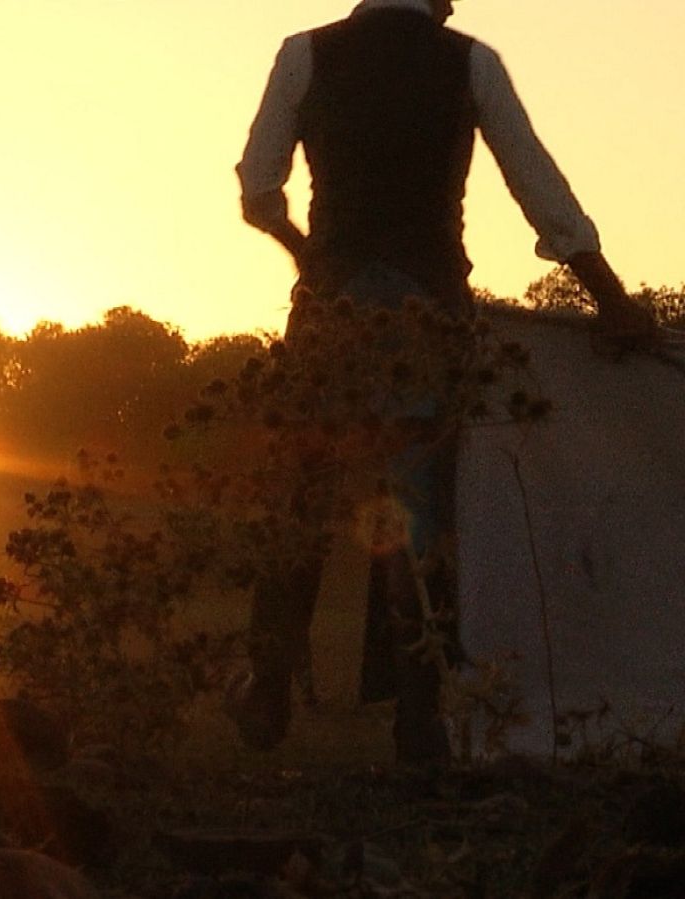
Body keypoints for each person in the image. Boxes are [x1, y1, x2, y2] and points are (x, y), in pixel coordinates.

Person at [233, 0, 654, 761]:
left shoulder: (305, 54)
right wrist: (610, 296)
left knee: (300, 500)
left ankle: (267, 692)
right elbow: (539, 185)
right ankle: (419, 716)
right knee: (417, 509)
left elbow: (259, 189)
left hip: (332, 310)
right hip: (429, 310)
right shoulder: (471, 62)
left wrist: (307, 254)